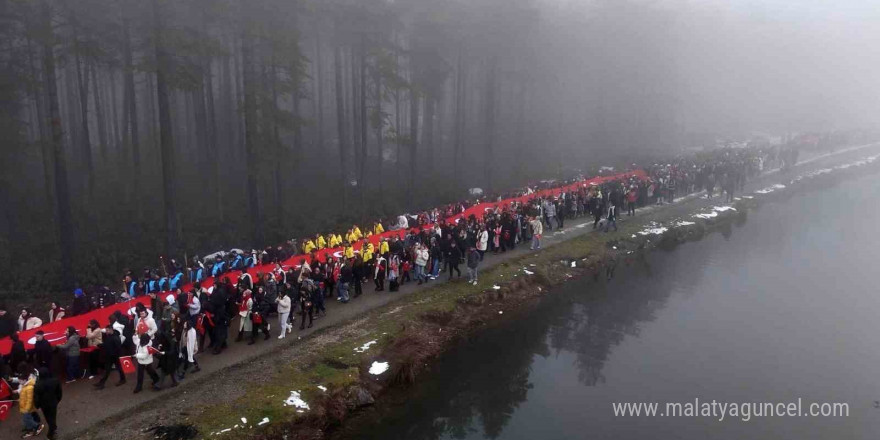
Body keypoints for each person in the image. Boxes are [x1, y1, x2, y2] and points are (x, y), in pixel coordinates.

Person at [94, 324, 125, 389]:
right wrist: (101, 345)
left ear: (111, 329)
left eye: (107, 330)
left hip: (115, 356)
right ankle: (102, 383)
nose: (106, 331)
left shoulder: (115, 337)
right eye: (106, 330)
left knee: (119, 369)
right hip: (109, 356)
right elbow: (107, 344)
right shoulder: (109, 336)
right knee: (107, 370)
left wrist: (116, 355)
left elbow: (118, 348)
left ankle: (123, 379)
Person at [34, 367, 62, 440]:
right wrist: (57, 400)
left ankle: (51, 432)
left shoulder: (37, 385)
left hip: (44, 405)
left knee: (48, 417)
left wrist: (37, 406)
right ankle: (53, 428)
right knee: (53, 416)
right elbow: (59, 392)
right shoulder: (55, 381)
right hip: (53, 402)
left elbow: (36, 398)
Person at [17, 369, 44, 438]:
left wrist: (27, 409)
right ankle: (29, 429)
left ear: (25, 380)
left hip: (27, 408)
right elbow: (24, 396)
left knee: (28, 419)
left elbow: (30, 400)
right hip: (24, 407)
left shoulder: (29, 388)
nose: (19, 382)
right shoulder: (24, 385)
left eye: (20, 380)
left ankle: (37, 426)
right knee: (25, 419)